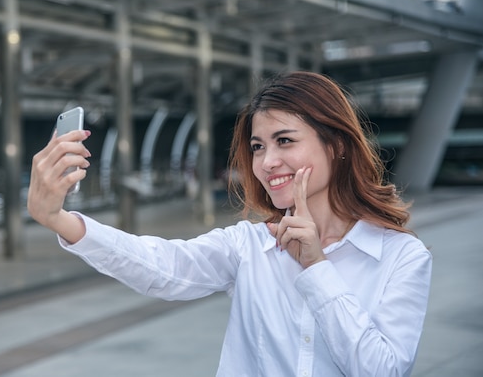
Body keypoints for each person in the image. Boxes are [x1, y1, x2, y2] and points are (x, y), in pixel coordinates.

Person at [27, 71, 432, 377]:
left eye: (285, 141)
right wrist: (59, 219)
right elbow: (163, 267)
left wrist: (317, 267)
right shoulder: (250, 246)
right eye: (258, 146)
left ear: (336, 145)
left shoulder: (401, 256)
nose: (266, 162)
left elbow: (382, 369)